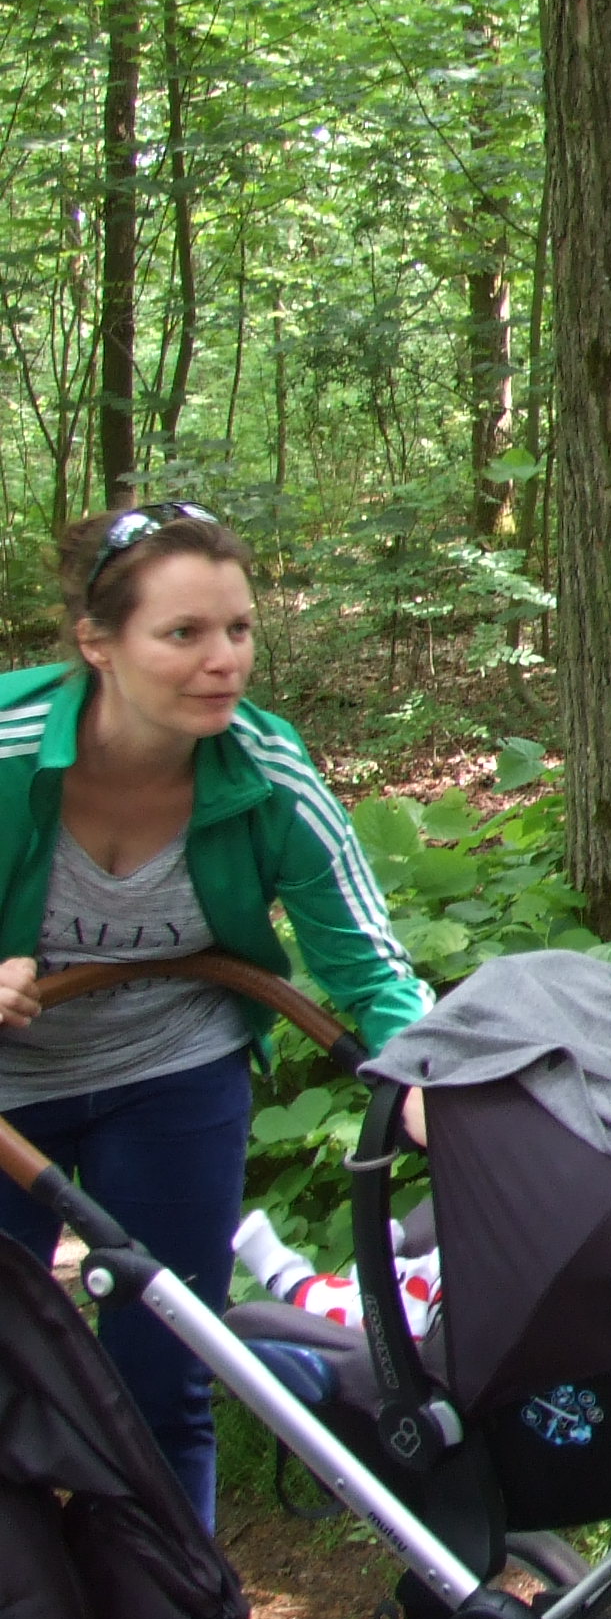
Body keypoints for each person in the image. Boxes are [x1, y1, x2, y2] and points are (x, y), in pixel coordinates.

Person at [0, 504, 433, 1528]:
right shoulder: (10, 750)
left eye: (238, 629)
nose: (223, 660)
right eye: (183, 633)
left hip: (173, 1076)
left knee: (168, 1370)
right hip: (9, 1094)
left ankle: (177, 1610)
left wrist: (425, 1078)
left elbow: (370, 964)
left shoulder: (266, 772)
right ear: (97, 643)